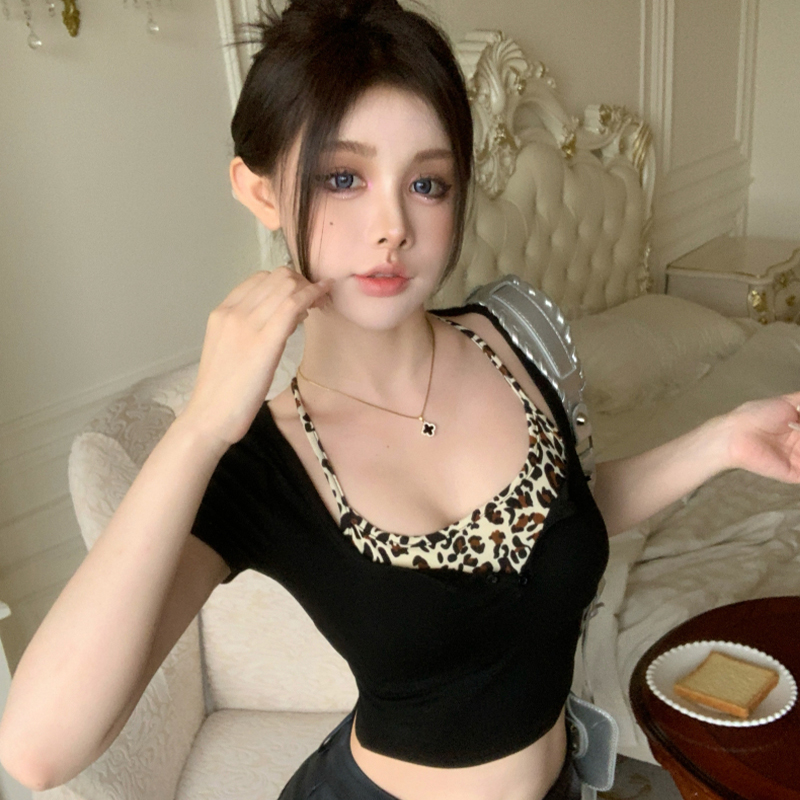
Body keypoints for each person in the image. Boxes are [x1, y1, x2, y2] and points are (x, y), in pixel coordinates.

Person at [1, 1, 799, 798]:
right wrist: (201, 426)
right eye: (342, 178)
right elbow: (39, 750)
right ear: (261, 191)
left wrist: (722, 440)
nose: (392, 226)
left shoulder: (514, 338)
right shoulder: (261, 466)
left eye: (427, 183)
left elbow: (568, 512)